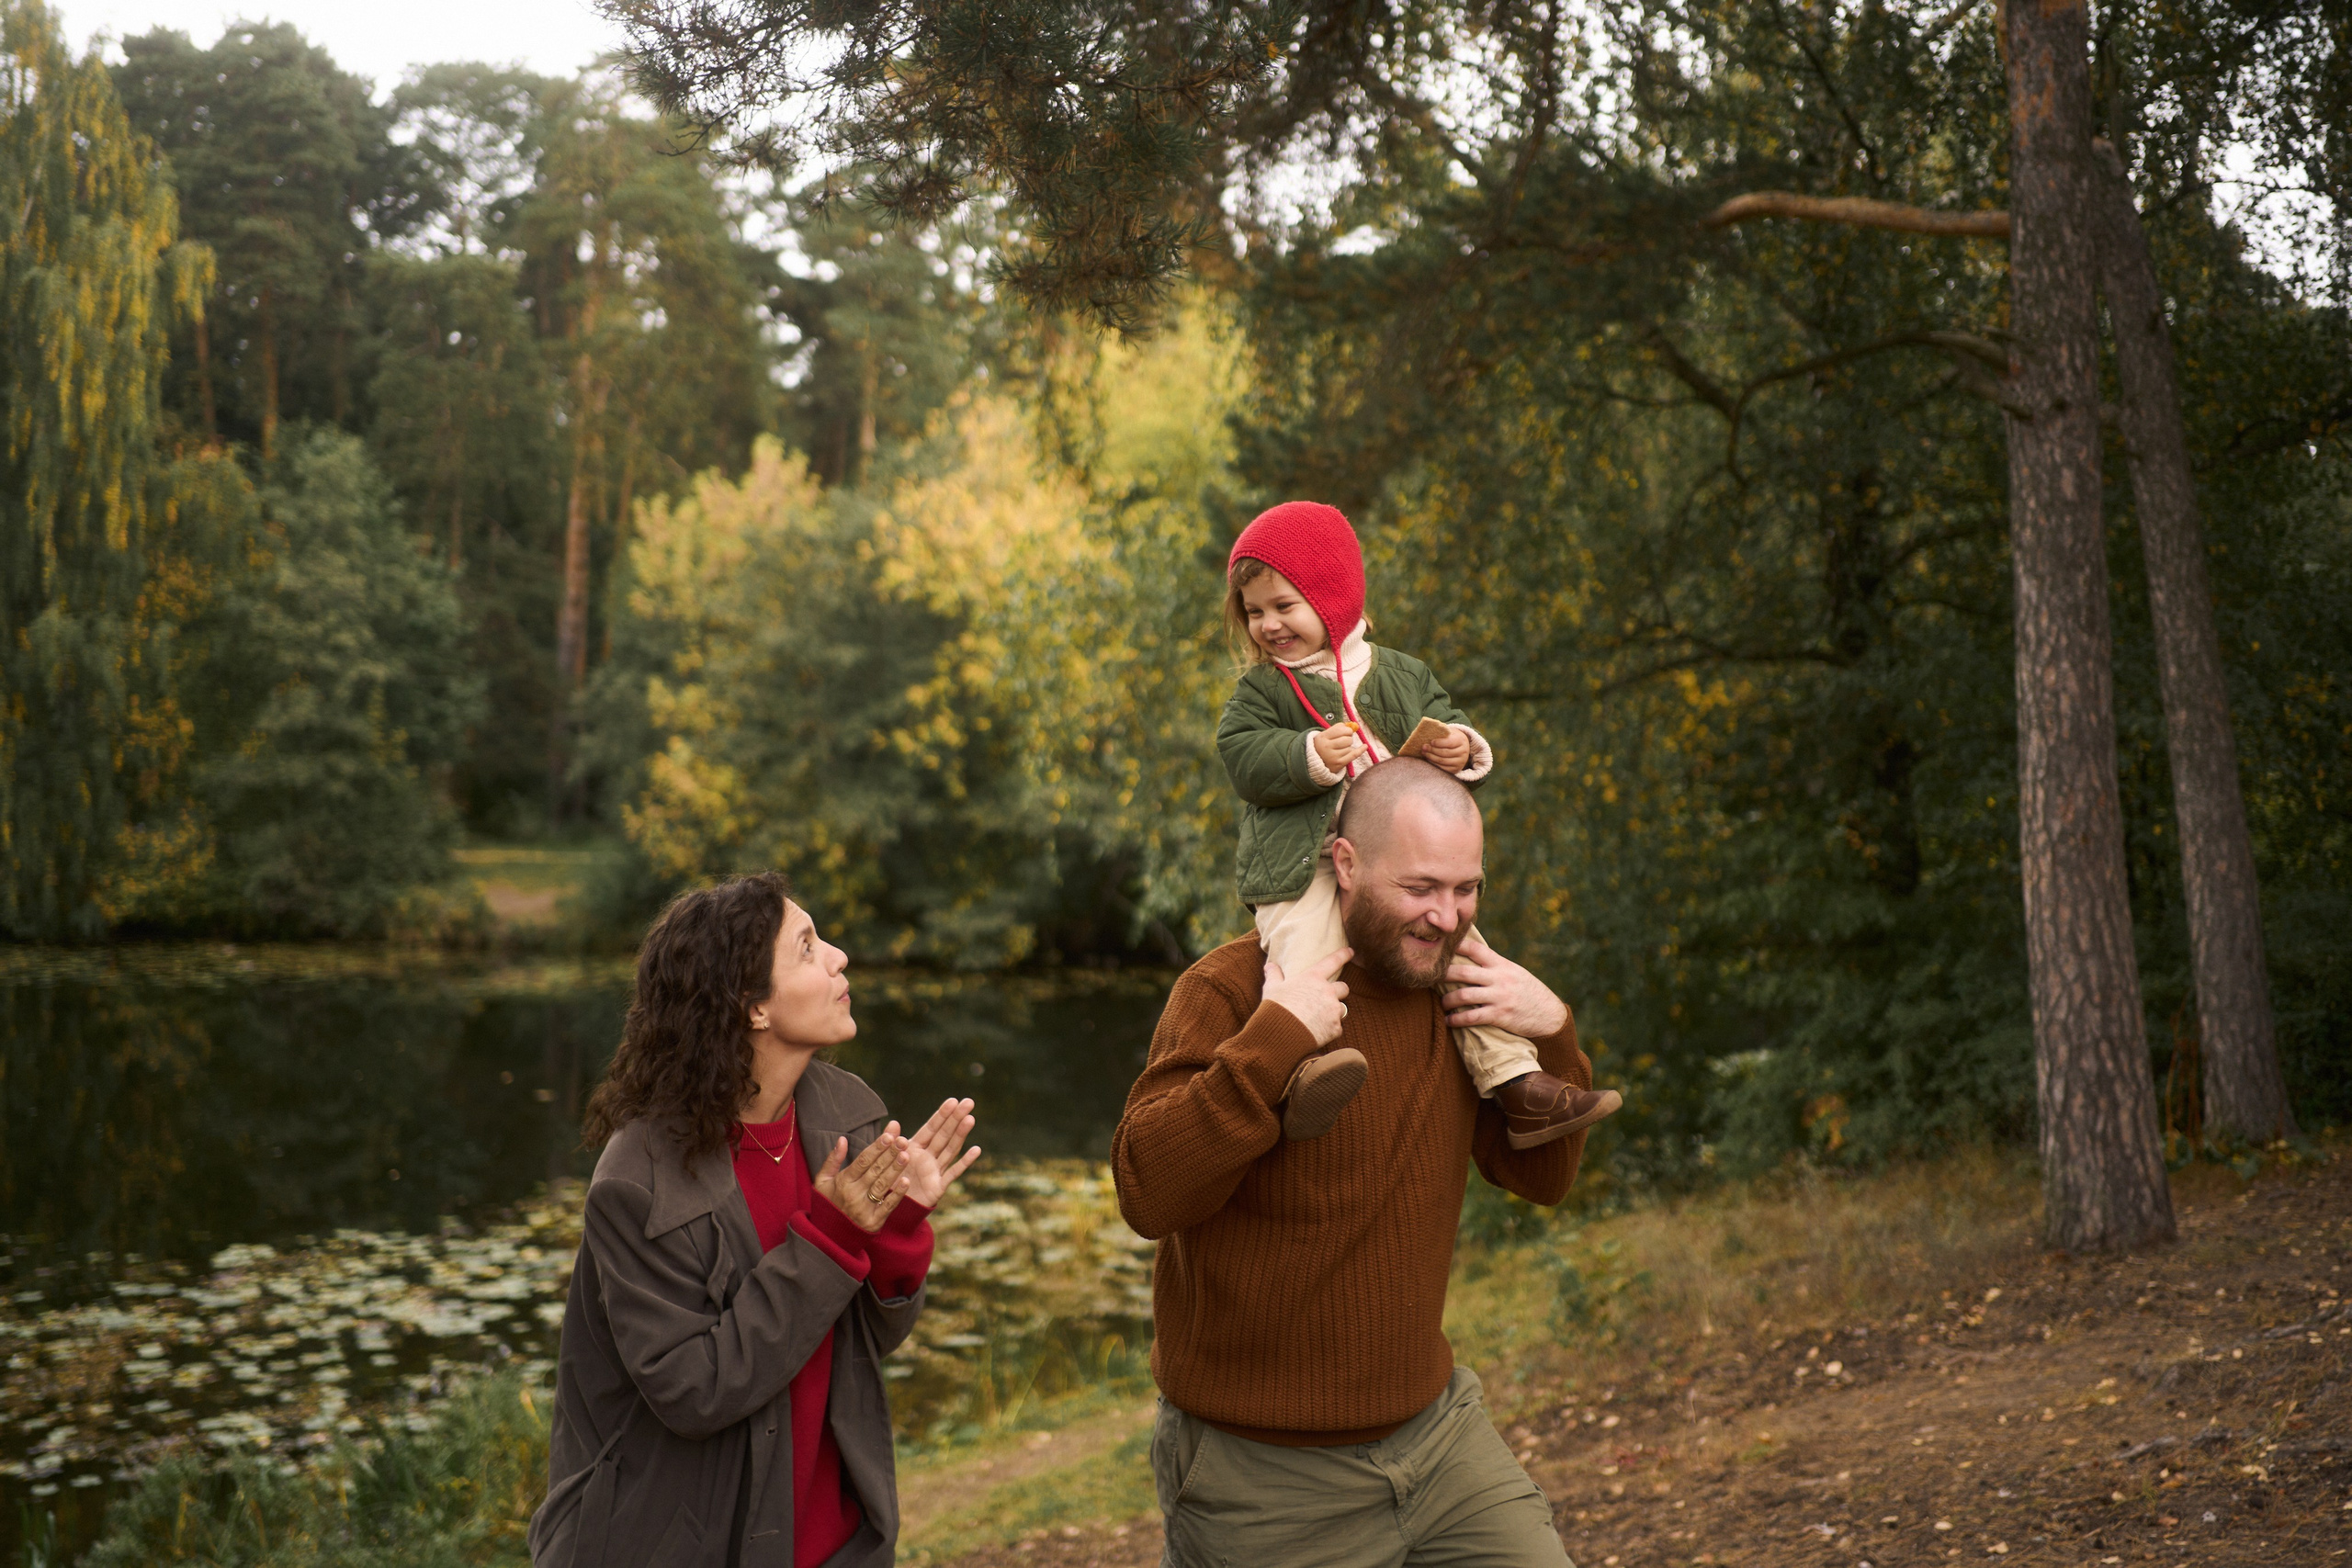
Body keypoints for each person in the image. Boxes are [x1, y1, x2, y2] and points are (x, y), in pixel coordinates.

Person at [1114, 759, 1590, 1567]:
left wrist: (1552, 1030)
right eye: (1421, 888)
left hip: (1438, 1438)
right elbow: (1146, 1191)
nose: (1447, 917)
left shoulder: (1460, 993)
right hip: (1261, 1473)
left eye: (1467, 888)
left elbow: (1542, 1180)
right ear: (1344, 863)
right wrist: (1274, 1040)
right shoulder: (1232, 989)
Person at [530, 872, 980, 1568]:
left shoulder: (847, 1112)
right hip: (670, 1544)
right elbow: (696, 1389)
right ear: (752, 1008)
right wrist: (834, 1237)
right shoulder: (638, 1179)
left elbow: (864, 1338)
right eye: (807, 947)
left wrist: (896, 1227)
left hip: (837, 1539)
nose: (838, 957)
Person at [1215, 499, 1620, 1147]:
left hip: (1400, 863)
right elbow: (1243, 757)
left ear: (1333, 596)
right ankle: (1298, 1071)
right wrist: (1308, 755)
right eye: (1255, 612)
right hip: (1305, 861)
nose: (1268, 625)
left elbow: (1447, 718)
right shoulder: (1261, 692)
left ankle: (1517, 1080)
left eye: (1283, 606)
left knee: (1469, 956)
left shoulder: (1400, 673)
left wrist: (1461, 745)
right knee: (1305, 950)